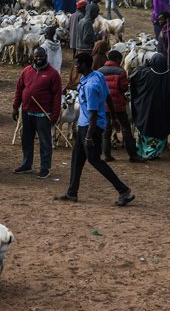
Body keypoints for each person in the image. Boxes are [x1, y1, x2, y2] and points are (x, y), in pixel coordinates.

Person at [55, 52, 135, 207]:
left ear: (84, 65)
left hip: (91, 127)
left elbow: (93, 114)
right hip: (86, 125)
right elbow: (108, 97)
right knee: (77, 158)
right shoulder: (97, 75)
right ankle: (72, 192)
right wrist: (114, 119)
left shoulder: (91, 86)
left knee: (94, 159)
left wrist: (89, 136)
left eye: (77, 64)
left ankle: (124, 190)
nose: (75, 67)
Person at [13, 46, 61, 179]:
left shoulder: (53, 74)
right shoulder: (26, 70)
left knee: (45, 142)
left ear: (45, 56)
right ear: (33, 57)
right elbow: (19, 89)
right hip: (27, 111)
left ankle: (45, 168)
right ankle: (26, 164)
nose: (38, 58)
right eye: (36, 56)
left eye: (41, 56)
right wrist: (15, 107)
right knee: (26, 140)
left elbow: (57, 96)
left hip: (43, 114)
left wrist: (55, 115)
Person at [129, 53, 170, 160]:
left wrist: (145, 66)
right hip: (162, 112)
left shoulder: (145, 74)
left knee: (144, 131)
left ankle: (141, 150)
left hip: (145, 110)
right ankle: (152, 152)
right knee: (158, 135)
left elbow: (134, 78)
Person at [98, 50, 143, 163]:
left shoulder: (99, 71)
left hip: (104, 105)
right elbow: (124, 88)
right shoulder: (120, 71)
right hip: (118, 106)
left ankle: (107, 155)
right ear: (117, 59)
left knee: (106, 130)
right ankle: (133, 155)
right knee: (126, 129)